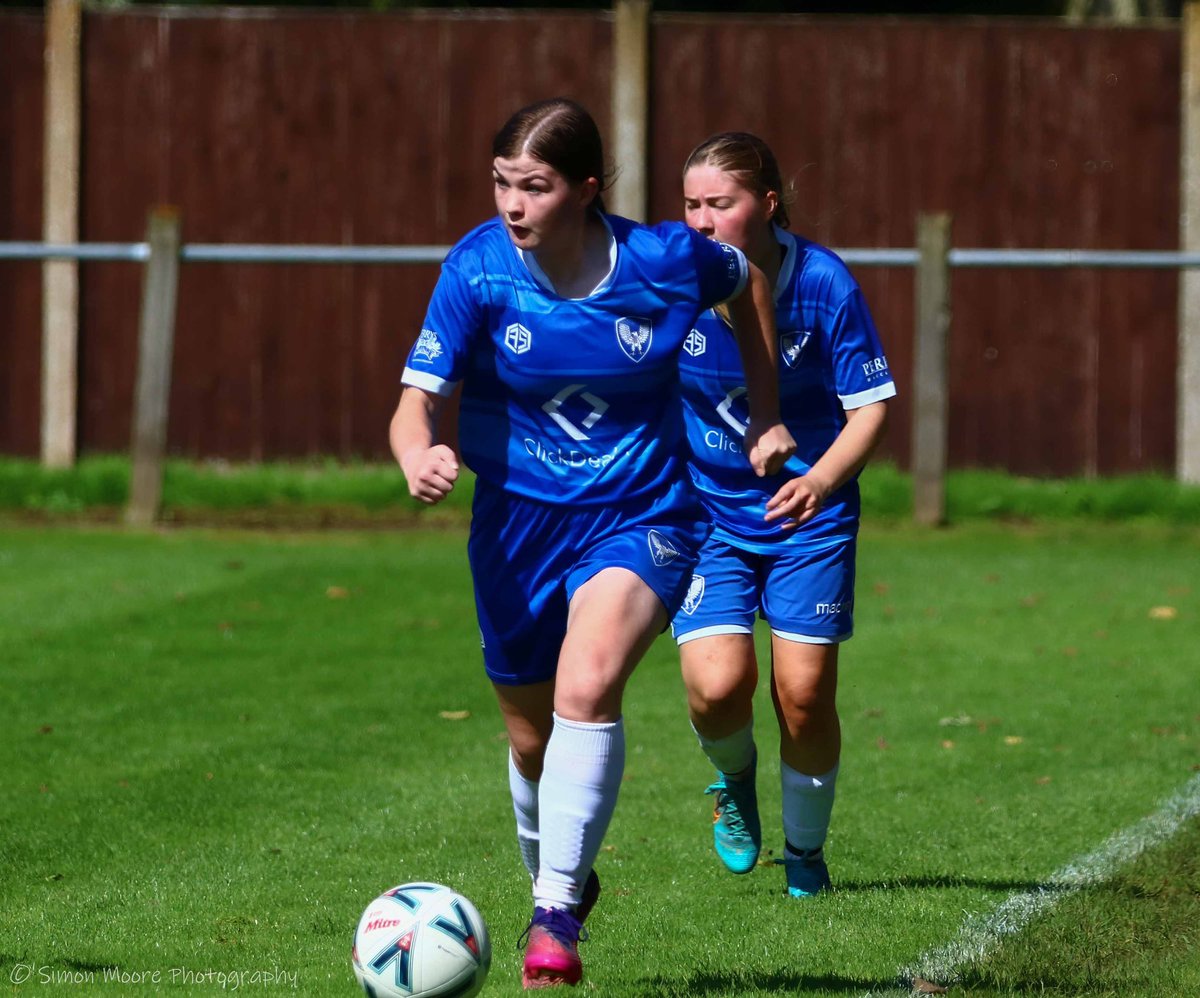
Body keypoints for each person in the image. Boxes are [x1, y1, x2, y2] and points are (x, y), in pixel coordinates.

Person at [389, 100, 796, 989]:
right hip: (515, 527)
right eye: (501, 183)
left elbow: (750, 283)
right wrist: (420, 452)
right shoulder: (479, 268)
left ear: (586, 190)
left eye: (532, 186)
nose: (511, 205)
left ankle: (555, 912)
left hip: (643, 512)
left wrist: (766, 413)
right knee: (532, 738)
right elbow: (414, 402)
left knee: (590, 681)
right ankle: (563, 873)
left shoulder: (663, 260)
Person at [672, 132, 895, 898]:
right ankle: (733, 781)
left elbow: (870, 409)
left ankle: (805, 853)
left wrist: (822, 481)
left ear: (766, 206)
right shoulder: (669, 280)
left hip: (810, 517)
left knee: (801, 696)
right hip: (705, 515)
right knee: (716, 685)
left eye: (720, 205)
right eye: (691, 204)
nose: (701, 221)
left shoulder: (824, 283)